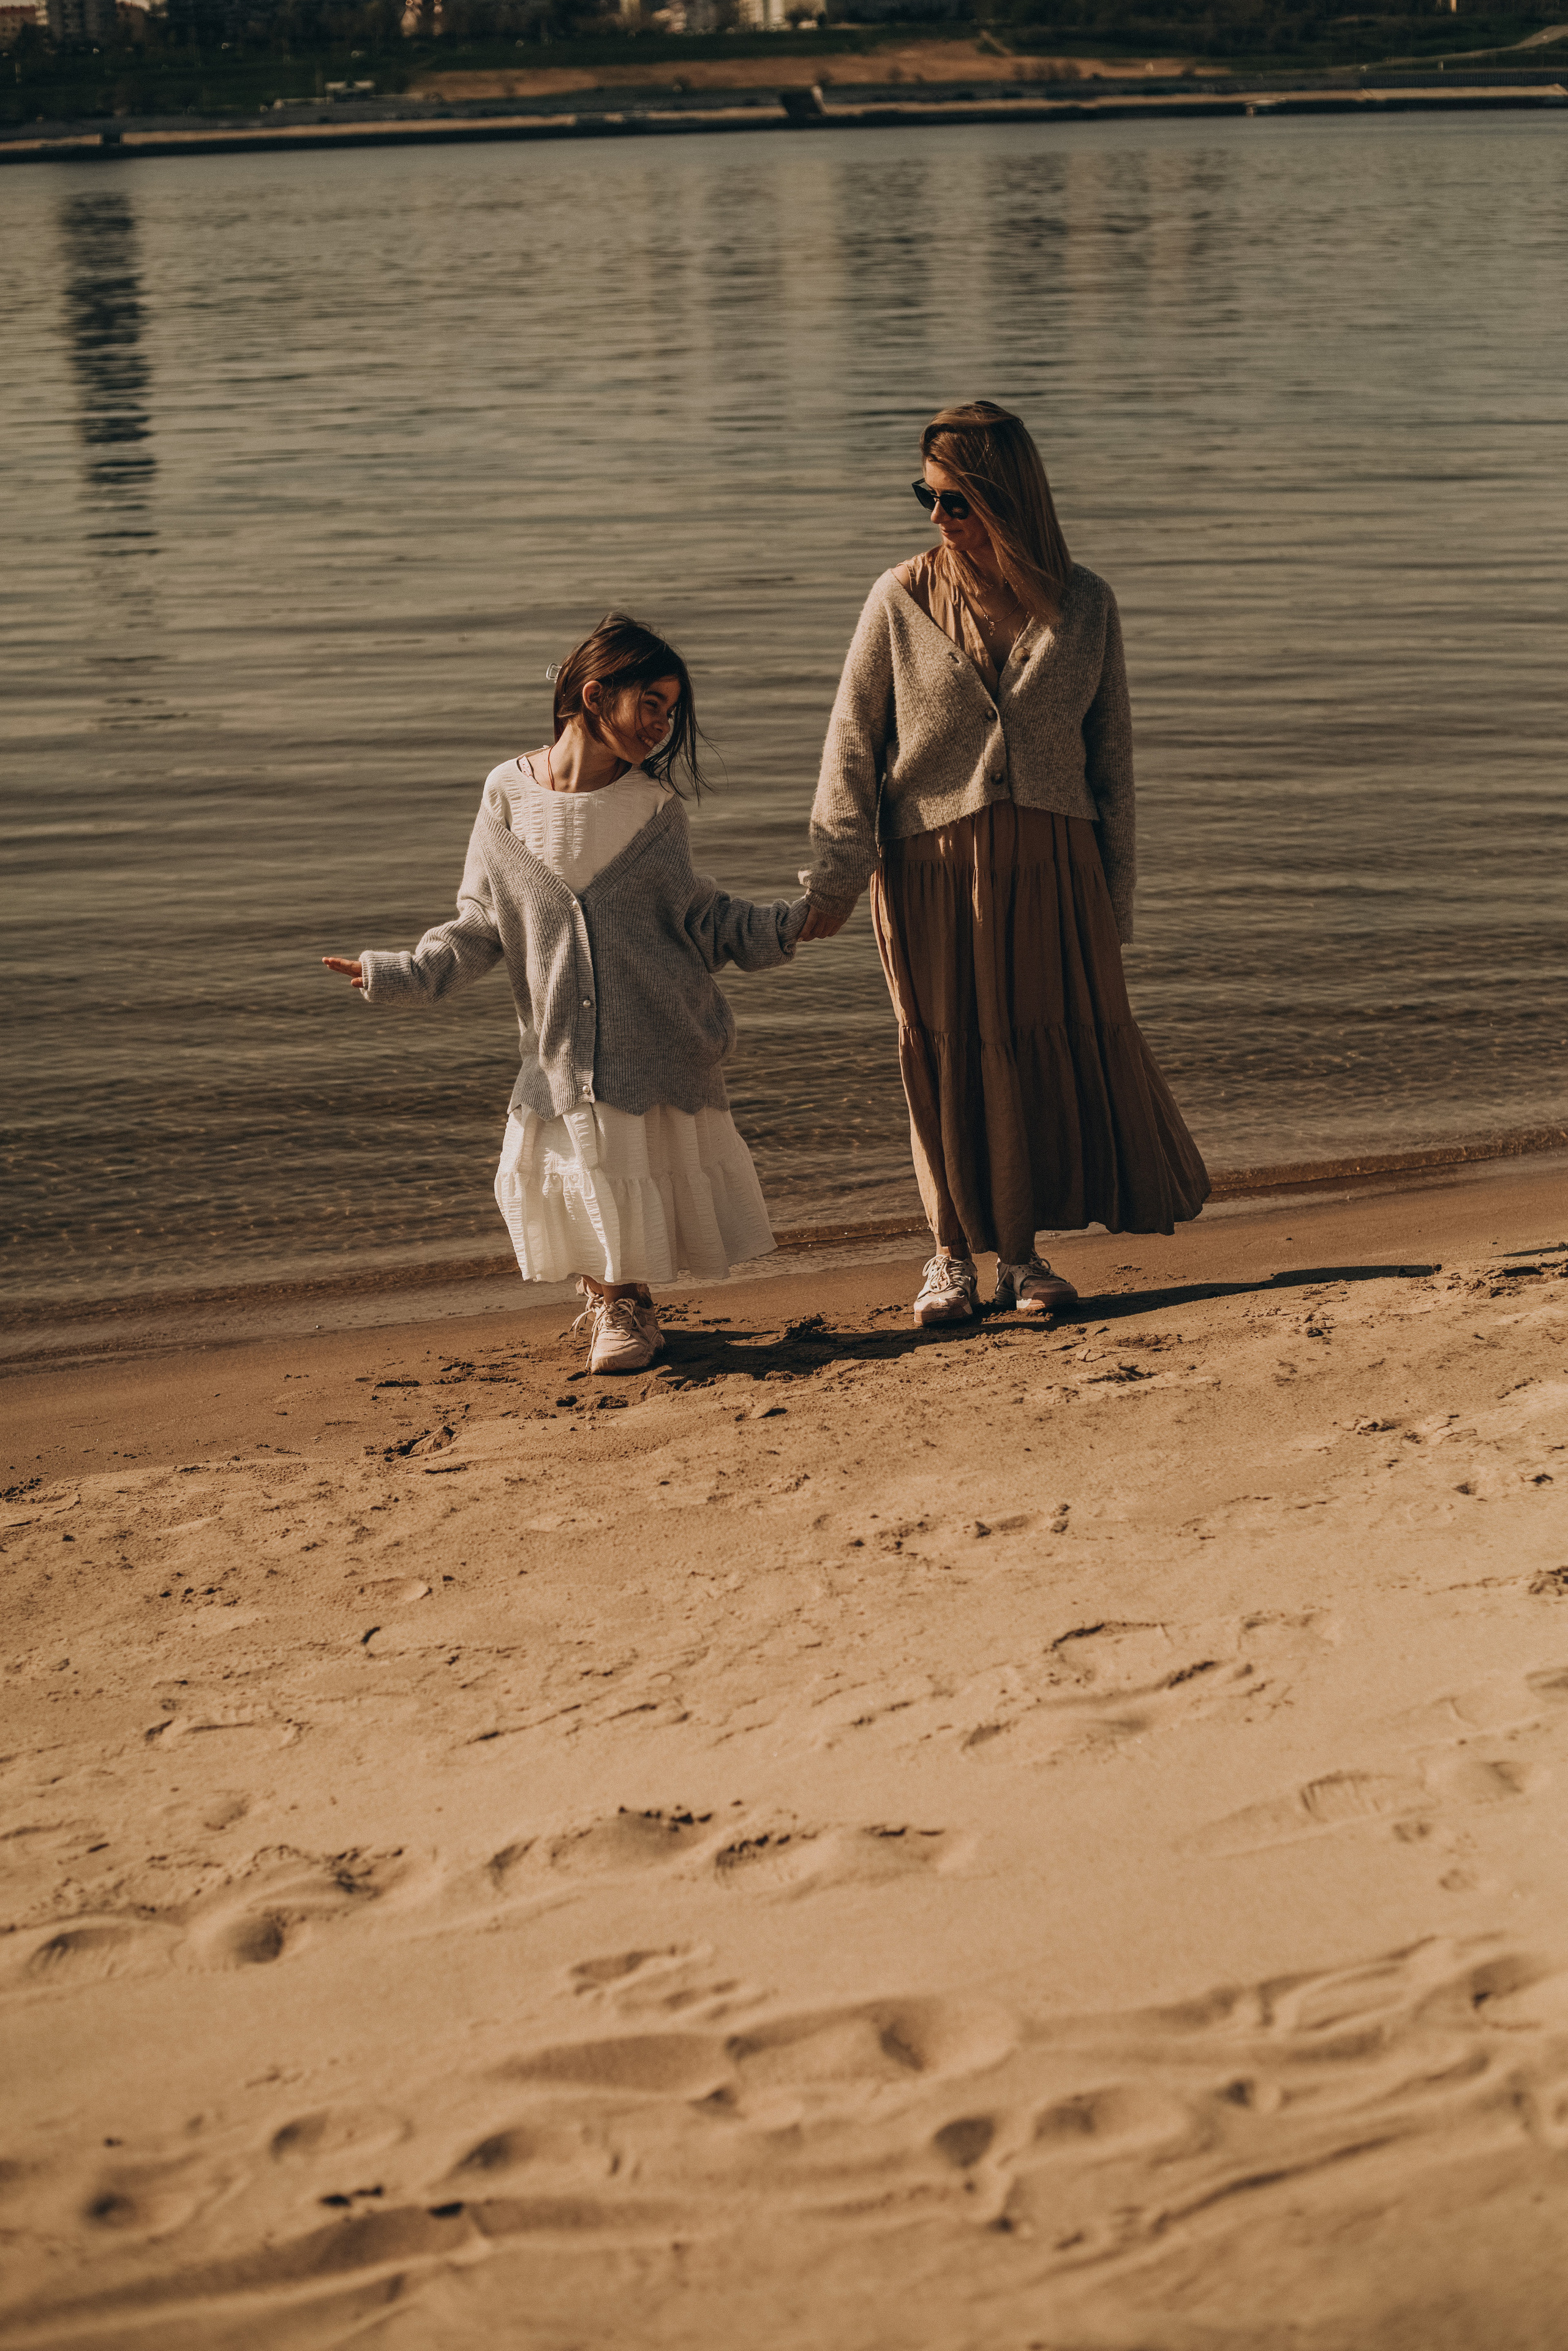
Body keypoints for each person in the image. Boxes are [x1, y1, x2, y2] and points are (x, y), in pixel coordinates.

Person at [799, 400, 1209, 1329]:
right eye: (928, 499)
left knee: (1034, 1049)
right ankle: (948, 1256)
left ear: (1006, 497)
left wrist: (1116, 895)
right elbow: (851, 744)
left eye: (954, 502)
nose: (938, 520)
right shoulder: (899, 596)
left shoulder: (1088, 602)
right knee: (945, 1058)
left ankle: (1022, 1259)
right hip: (928, 863)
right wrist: (833, 870)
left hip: (1054, 865)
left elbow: (1114, 762)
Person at [325, 613, 810, 1375]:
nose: (662, 724)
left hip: (655, 1033)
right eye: (650, 702)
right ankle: (621, 1302)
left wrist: (791, 923)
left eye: (671, 710)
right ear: (594, 694)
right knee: (577, 1169)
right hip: (555, 1044)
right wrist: (404, 973)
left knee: (616, 1165)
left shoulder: (652, 808)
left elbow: (700, 918)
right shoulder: (506, 794)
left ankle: (622, 1303)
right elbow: (482, 924)